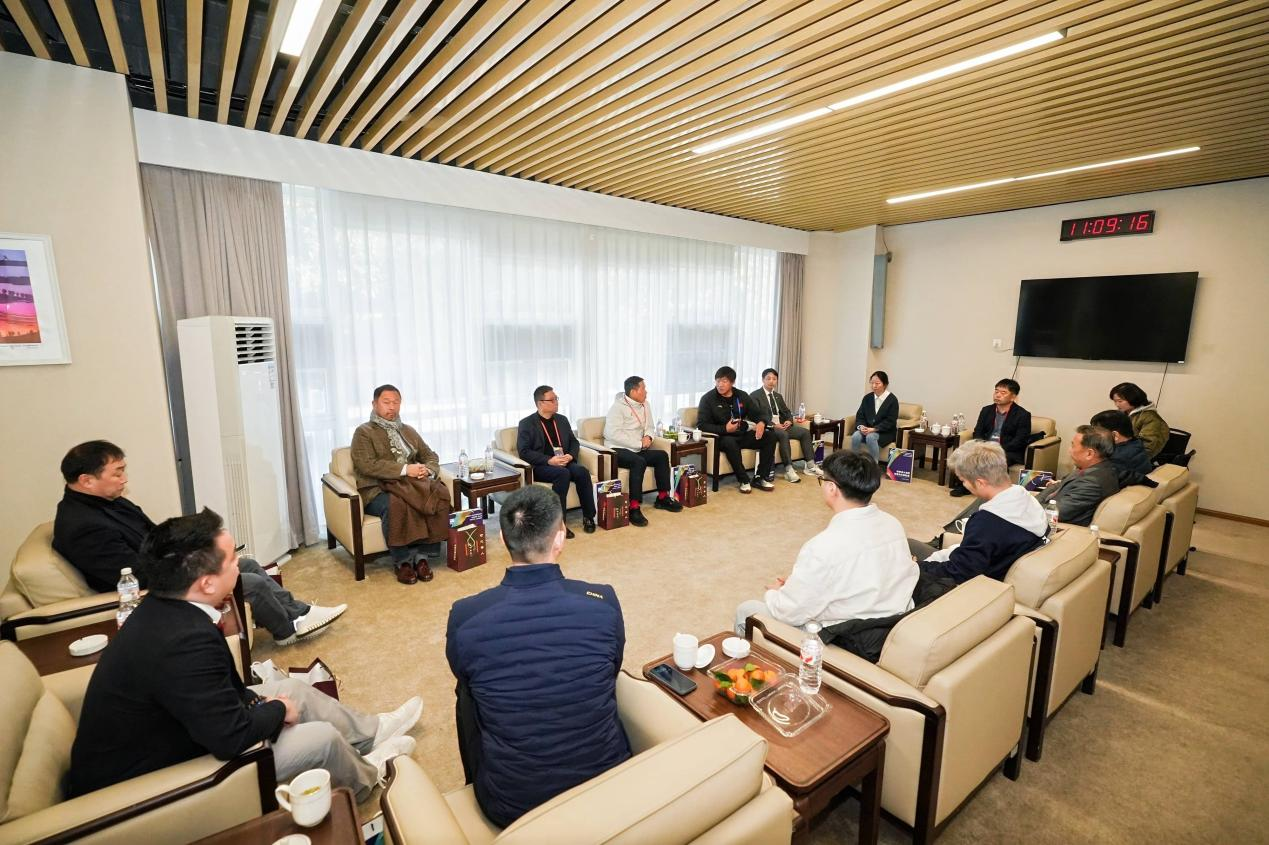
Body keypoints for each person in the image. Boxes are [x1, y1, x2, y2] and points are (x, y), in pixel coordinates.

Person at [68, 509, 421, 802]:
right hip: (154, 777)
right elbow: (230, 738)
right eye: (232, 560)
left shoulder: (166, 608)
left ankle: (370, 733)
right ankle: (367, 776)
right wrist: (277, 710)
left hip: (182, 730)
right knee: (321, 739)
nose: (240, 565)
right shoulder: (184, 642)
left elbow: (217, 699)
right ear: (206, 583)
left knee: (294, 690)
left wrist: (272, 703)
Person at [446, 486, 630, 828]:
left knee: (468, 691)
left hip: (512, 805)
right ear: (560, 538)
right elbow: (613, 666)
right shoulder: (603, 602)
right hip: (606, 781)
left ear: (502, 539)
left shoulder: (465, 616)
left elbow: (464, 673)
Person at [53, 440, 344, 646]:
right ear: (87, 480)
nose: (124, 479)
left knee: (247, 564)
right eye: (117, 473)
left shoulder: (110, 502)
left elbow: (154, 536)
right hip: (149, 589)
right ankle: (286, 631)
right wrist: (194, 565)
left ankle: (299, 612)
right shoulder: (83, 526)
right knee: (249, 583)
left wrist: (194, 542)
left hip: (162, 569)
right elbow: (133, 574)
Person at [733, 450, 918, 636]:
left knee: (747, 611)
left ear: (831, 488)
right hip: (893, 622)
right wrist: (797, 584)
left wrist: (776, 593)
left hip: (846, 634)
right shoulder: (892, 523)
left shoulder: (823, 547)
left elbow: (789, 612)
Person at [908, 441, 1047, 584]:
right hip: (989, 568)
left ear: (980, 483)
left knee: (907, 545)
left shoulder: (986, 523)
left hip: (970, 586)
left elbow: (958, 572)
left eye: (963, 480)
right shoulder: (1029, 501)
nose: (964, 485)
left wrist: (916, 567)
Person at [351, 384, 450, 585]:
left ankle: (422, 557)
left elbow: (430, 455)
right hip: (377, 488)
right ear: (374, 404)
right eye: (386, 402)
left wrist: (427, 470)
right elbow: (366, 465)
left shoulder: (408, 430)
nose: (392, 407)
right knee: (396, 504)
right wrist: (405, 469)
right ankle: (402, 561)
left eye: (396, 402)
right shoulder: (363, 432)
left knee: (437, 494)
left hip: (411, 484)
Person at [602, 376, 683, 526]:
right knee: (638, 462)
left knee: (661, 456)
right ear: (633, 391)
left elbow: (650, 426)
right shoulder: (617, 407)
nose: (646, 391)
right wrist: (639, 443)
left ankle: (662, 497)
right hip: (618, 449)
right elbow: (611, 434)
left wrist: (648, 437)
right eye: (643, 388)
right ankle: (633, 507)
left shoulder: (646, 404)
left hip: (639, 447)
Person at [517, 385, 595, 538]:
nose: (556, 402)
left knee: (582, 472)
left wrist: (570, 456)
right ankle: (559, 524)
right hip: (542, 465)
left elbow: (574, 442)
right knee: (562, 474)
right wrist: (549, 460)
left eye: (556, 399)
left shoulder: (562, 420)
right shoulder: (527, 423)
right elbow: (524, 451)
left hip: (564, 460)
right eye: (552, 400)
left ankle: (589, 516)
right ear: (540, 403)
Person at [696, 366, 777, 493]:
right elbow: (702, 425)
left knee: (770, 437)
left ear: (732, 382)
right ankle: (744, 480)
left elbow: (758, 413)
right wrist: (725, 429)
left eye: (724, 381)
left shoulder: (741, 395)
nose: (720, 385)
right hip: (722, 437)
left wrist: (761, 422)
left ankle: (760, 477)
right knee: (729, 442)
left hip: (741, 435)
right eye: (718, 381)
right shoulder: (708, 399)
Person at [950, 378, 1033, 497]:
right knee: (967, 455)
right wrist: (981, 446)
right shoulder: (986, 410)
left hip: (1008, 450)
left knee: (998, 460)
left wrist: (997, 449)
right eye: (996, 391)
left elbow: (1020, 440)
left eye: (1003, 393)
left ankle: (998, 492)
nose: (998, 395)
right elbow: (978, 431)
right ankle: (966, 486)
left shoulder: (1023, 415)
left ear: (1013, 397)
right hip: (985, 446)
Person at [1035, 425, 1121, 526]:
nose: (1069, 450)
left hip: (1056, 525)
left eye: (1073, 446)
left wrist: (1028, 507)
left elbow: (1055, 512)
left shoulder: (1092, 483)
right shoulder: (1093, 468)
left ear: (1089, 454)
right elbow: (1057, 485)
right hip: (1043, 510)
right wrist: (1033, 502)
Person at [751, 367, 822, 482]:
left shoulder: (778, 396)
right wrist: (773, 425)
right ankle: (789, 469)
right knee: (783, 434)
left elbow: (787, 412)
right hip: (769, 427)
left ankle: (810, 465)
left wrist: (789, 420)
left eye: (774, 379)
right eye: (768, 378)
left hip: (782, 426)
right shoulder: (755, 395)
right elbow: (756, 416)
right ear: (763, 380)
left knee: (805, 432)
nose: (771, 381)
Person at [1091, 409, 1155, 482]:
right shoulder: (1136, 444)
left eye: (1097, 434)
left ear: (1115, 435)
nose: (1094, 437)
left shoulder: (1115, 459)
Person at [849, 371, 900, 463]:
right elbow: (860, 415)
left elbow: (890, 421)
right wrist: (861, 426)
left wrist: (874, 429)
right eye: (872, 383)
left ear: (885, 384)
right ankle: (854, 463)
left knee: (871, 437)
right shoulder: (867, 398)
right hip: (867, 429)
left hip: (884, 432)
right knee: (855, 436)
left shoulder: (892, 400)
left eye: (877, 383)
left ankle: (874, 464)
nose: (874, 386)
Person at [1109, 382, 1169, 459]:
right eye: (1115, 401)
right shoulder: (1123, 414)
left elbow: (1148, 448)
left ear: (1132, 399)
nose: (1117, 405)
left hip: (1134, 460)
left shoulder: (1150, 418)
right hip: (1119, 454)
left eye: (1120, 401)